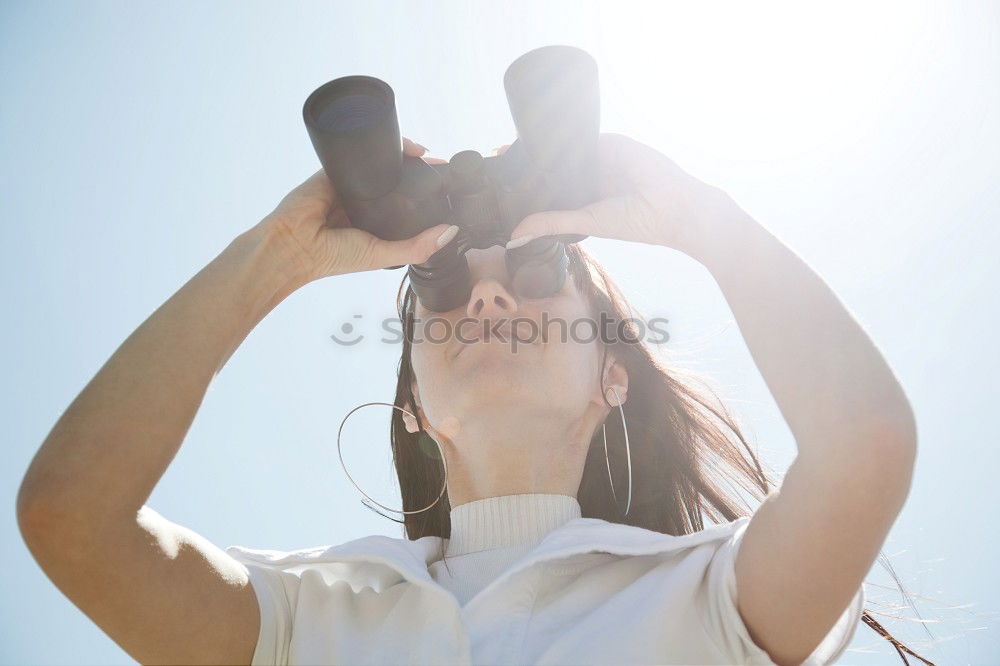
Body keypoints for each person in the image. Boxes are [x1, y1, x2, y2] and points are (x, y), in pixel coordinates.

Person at [16, 133, 930, 665]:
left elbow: (866, 446)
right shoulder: (305, 616)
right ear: (409, 396)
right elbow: (70, 516)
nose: (489, 297)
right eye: (443, 290)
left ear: (614, 375)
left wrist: (699, 218)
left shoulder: (708, 598)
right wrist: (278, 259)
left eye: (542, 275)